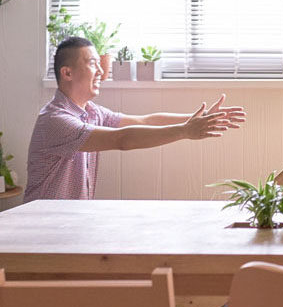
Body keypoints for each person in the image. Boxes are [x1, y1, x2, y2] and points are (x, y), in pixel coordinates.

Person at [24, 36, 246, 201]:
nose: (101, 71)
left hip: (68, 225)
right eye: (92, 63)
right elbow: (122, 140)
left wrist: (196, 118)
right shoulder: (56, 120)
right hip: (42, 227)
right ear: (67, 73)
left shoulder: (91, 112)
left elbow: (144, 121)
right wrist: (186, 131)